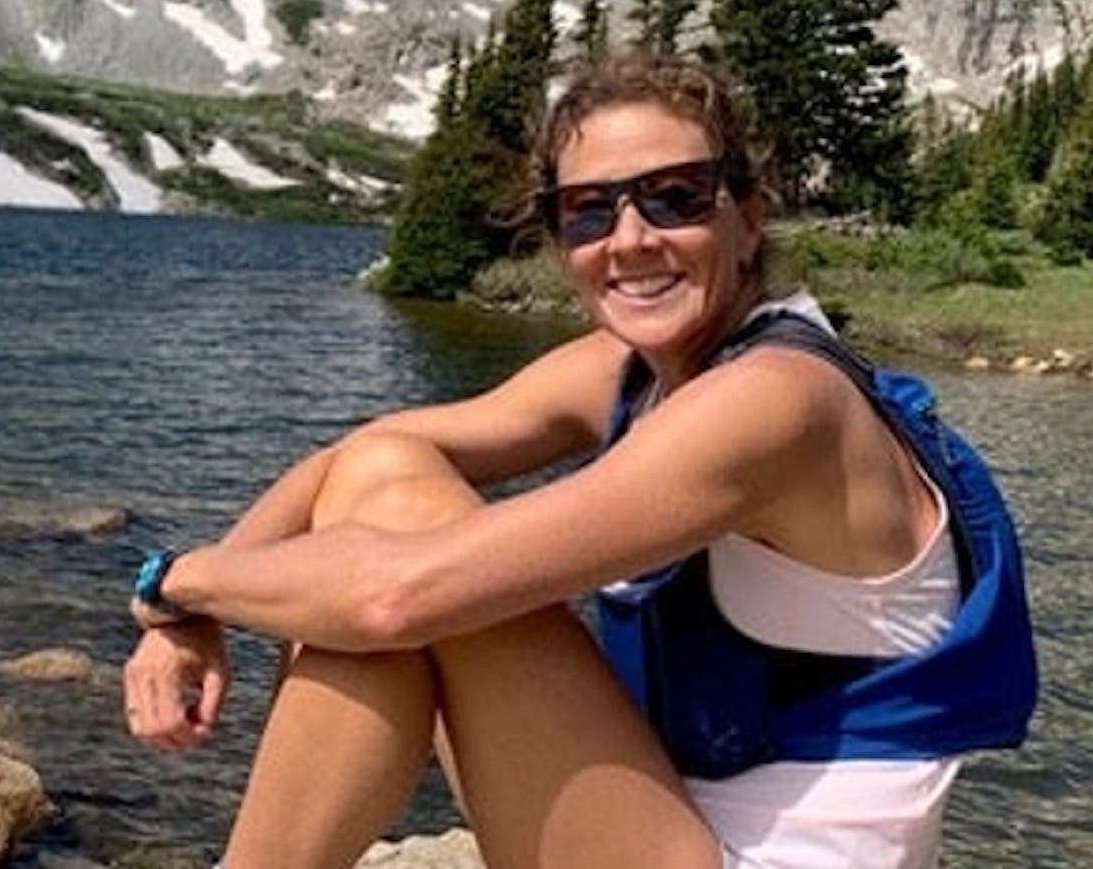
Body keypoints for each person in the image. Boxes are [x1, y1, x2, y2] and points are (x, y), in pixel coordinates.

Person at [121, 51, 1036, 869]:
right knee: (386, 479)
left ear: (747, 216)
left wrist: (180, 581)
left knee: (402, 560)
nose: (630, 239)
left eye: (674, 195)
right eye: (589, 211)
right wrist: (181, 621)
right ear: (561, 242)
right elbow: (359, 457)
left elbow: (392, 594)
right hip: (673, 829)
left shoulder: (778, 400)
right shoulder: (633, 373)